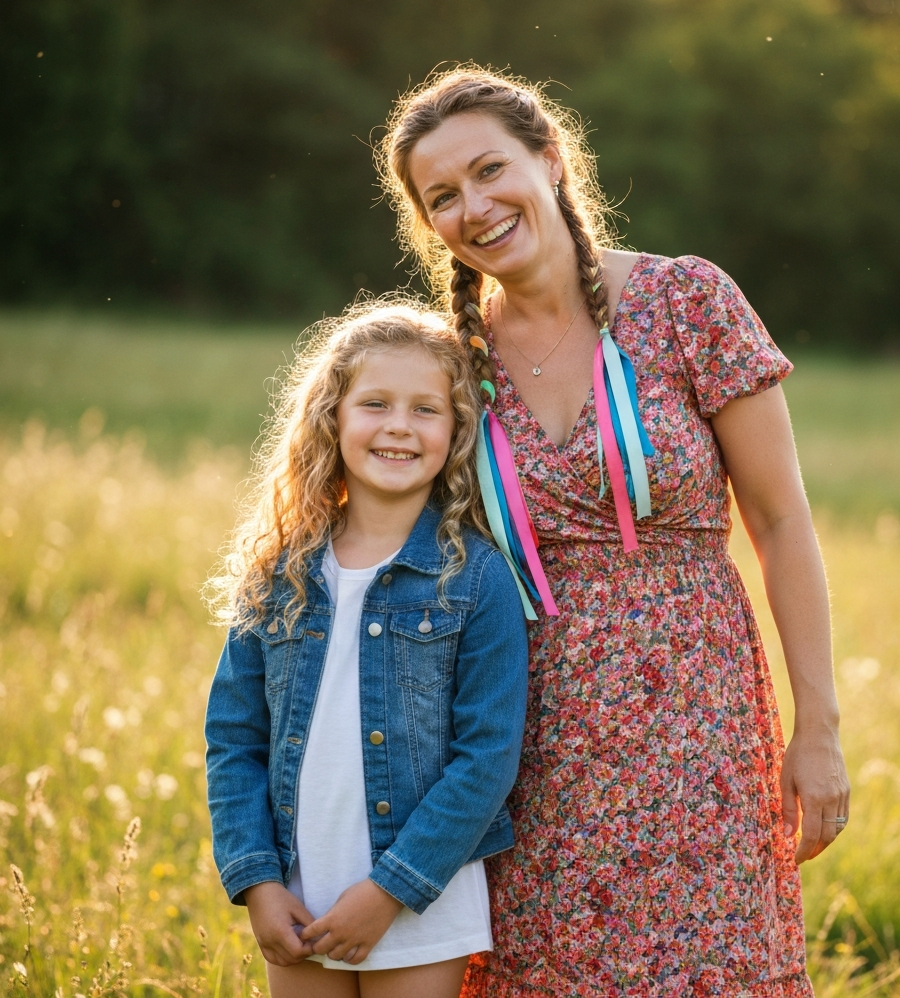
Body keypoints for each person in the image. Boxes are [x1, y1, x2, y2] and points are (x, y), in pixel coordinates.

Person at [379, 68, 852, 996]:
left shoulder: (688, 303)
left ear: (550, 159)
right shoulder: (442, 362)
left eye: (489, 170)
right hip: (518, 739)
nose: (474, 207)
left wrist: (819, 727)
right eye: (443, 197)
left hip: (699, 726)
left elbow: (781, 519)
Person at [204, 303, 529, 998]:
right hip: (299, 895)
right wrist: (256, 879)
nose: (399, 427)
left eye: (425, 410)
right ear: (334, 418)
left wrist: (390, 889)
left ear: (458, 430)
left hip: (419, 897)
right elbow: (234, 737)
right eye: (375, 403)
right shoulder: (280, 571)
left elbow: (489, 757)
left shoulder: (477, 579)